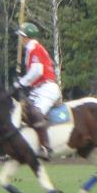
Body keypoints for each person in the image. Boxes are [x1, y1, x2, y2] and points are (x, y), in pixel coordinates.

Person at [14, 22, 61, 160]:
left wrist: (21, 82)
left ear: (27, 37)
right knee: (20, 112)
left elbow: (37, 71)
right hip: (38, 89)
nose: (21, 39)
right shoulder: (31, 49)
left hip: (47, 88)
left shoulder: (34, 48)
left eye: (22, 36)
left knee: (35, 113)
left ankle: (45, 148)